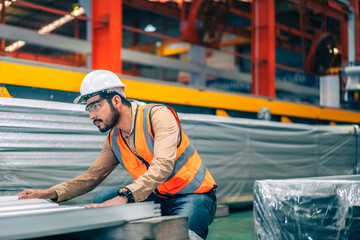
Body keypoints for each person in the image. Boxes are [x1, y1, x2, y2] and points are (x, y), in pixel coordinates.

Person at [17, 70, 217, 240]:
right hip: (157, 196)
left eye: (96, 106)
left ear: (116, 100)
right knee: (105, 196)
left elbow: (163, 165)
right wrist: (50, 193)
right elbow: (92, 177)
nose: (92, 115)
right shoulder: (115, 138)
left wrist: (126, 196)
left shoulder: (158, 115)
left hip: (193, 194)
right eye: (88, 108)